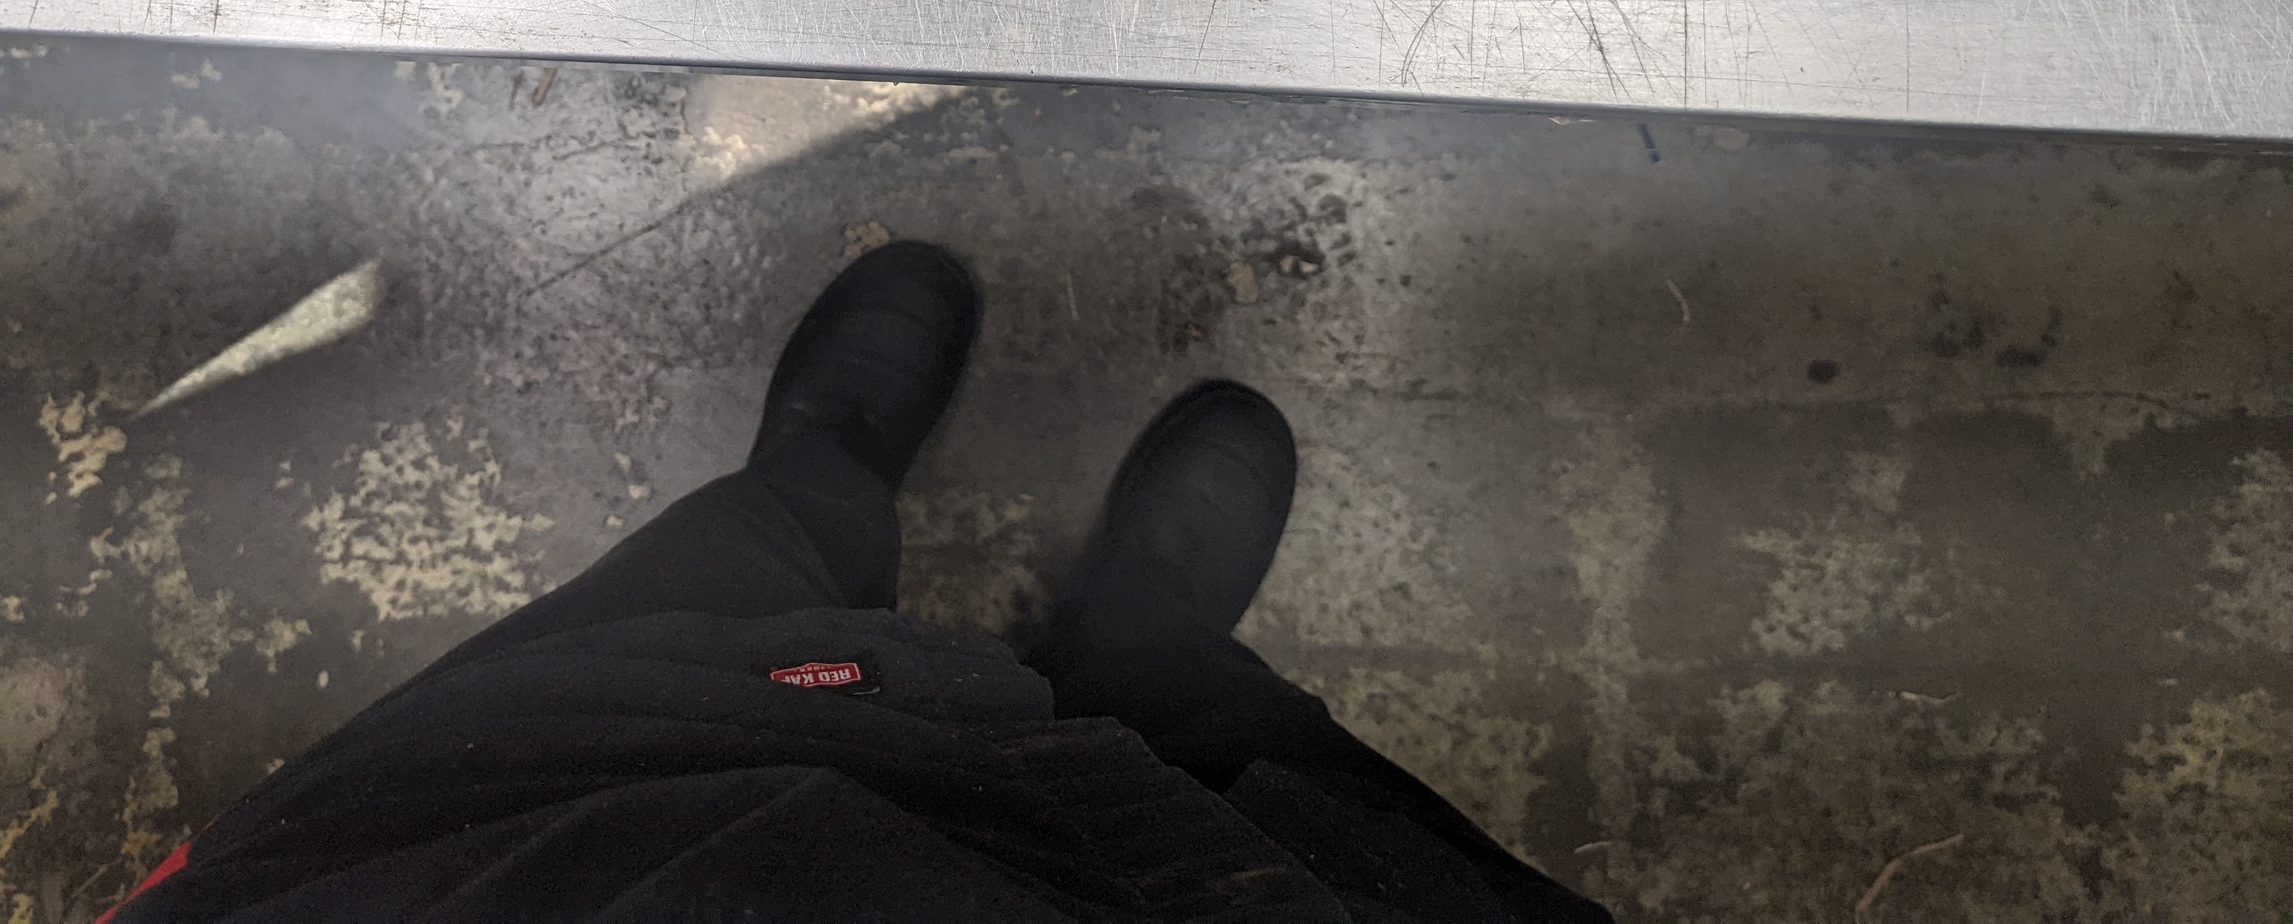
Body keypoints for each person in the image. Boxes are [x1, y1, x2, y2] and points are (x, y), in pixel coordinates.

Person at [106, 242, 1611, 921]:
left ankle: (812, 483)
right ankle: (1138, 641)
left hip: (533, 856)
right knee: (1233, 752)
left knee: (692, 614)